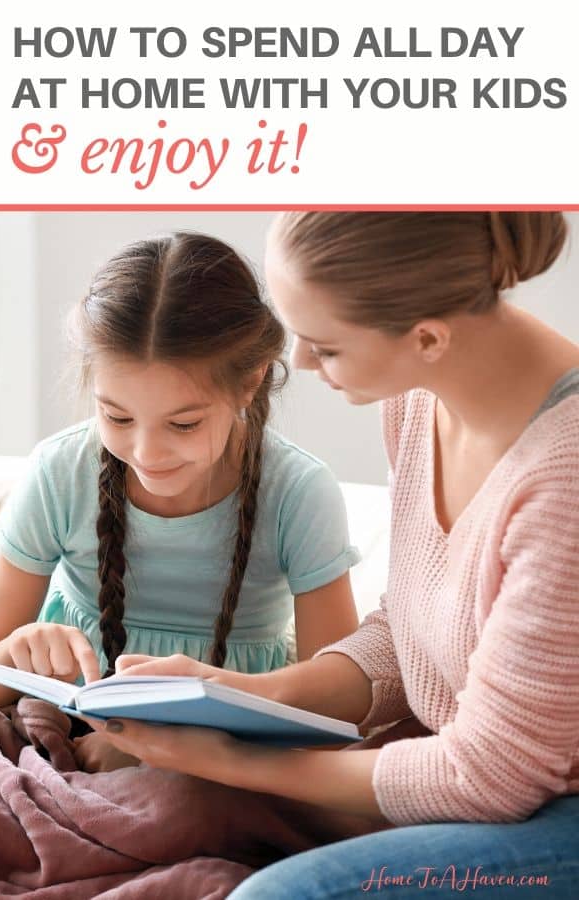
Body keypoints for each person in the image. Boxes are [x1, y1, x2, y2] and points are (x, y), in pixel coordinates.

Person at [89, 212, 579, 897]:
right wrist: (237, 694)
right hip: (471, 769)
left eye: (326, 345)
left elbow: (490, 774)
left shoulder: (564, 483)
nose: (304, 364)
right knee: (165, 807)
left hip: (549, 809)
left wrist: (234, 761)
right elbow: (412, 628)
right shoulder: (416, 401)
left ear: (428, 337)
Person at [0, 230, 360, 772]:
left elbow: (335, 709)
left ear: (249, 384)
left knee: (181, 811)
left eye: (183, 423)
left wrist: (157, 743)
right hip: (56, 715)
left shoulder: (298, 492)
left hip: (223, 742)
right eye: (117, 416)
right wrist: (13, 654)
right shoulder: (60, 471)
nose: (146, 451)